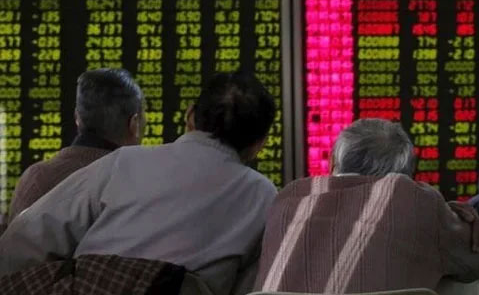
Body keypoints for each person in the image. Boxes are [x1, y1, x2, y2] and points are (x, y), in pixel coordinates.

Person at [0, 71, 278, 295]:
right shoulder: (265, 197)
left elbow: (28, 236)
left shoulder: (126, 162)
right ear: (260, 144)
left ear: (190, 115)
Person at [254, 118, 479, 293]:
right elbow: (478, 263)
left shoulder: (288, 197)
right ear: (407, 173)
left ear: (333, 163)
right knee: (462, 284)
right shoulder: (414, 197)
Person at [8, 68, 145, 222]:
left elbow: (11, 243)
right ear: (134, 125)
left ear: (77, 118)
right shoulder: (144, 186)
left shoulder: (36, 179)